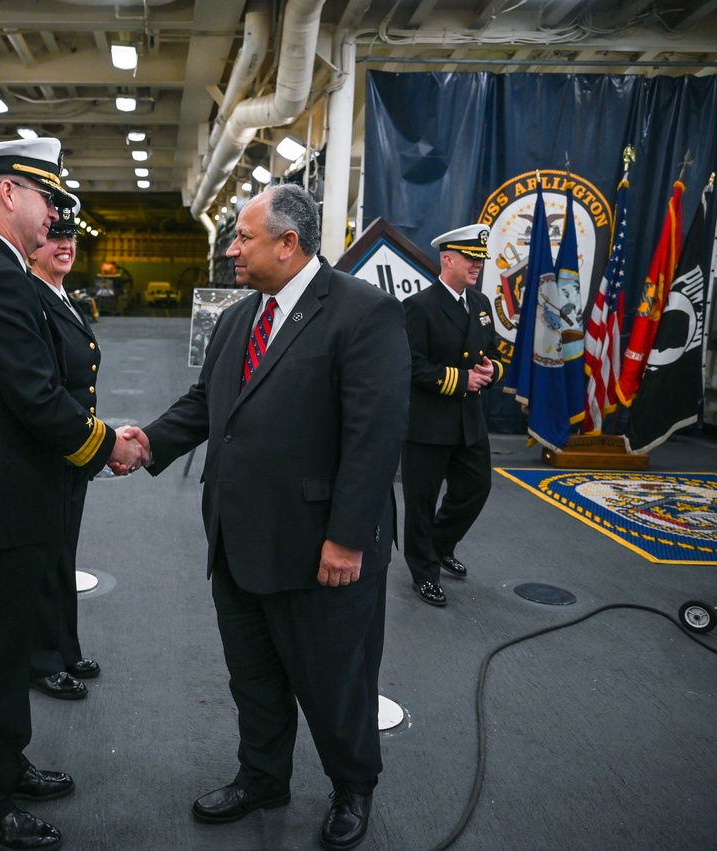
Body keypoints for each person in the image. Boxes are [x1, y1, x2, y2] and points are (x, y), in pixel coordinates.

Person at [124, 183, 410, 851]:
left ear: (289, 242)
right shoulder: (237, 318)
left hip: (321, 550)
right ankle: (262, 776)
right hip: (238, 539)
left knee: (334, 679)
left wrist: (345, 538)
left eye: (243, 238)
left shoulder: (363, 314)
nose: (230, 250)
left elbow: (374, 438)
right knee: (252, 676)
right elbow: (206, 404)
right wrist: (144, 443)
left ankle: (352, 784)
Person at [0, 137, 143, 851]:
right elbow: (37, 399)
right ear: (9, 193)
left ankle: (2, 763)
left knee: (6, 650)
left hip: (9, 501)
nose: (56, 214)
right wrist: (108, 444)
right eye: (48, 197)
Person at [400, 224, 503, 607]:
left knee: (476, 488)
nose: (477, 266)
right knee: (422, 502)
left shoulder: (480, 306)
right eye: (471, 259)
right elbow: (410, 366)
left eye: (480, 260)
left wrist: (492, 372)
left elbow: (491, 353)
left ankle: (440, 544)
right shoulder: (419, 307)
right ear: (448, 259)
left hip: (468, 422)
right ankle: (423, 571)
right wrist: (461, 380)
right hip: (428, 423)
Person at [28, 200, 101, 701]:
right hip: (51, 448)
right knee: (44, 559)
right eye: (55, 236)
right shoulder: (29, 296)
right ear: (34, 244)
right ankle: (41, 660)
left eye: (71, 238)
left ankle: (64, 646)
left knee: (64, 553)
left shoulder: (63, 294)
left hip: (73, 447)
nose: (65, 245)